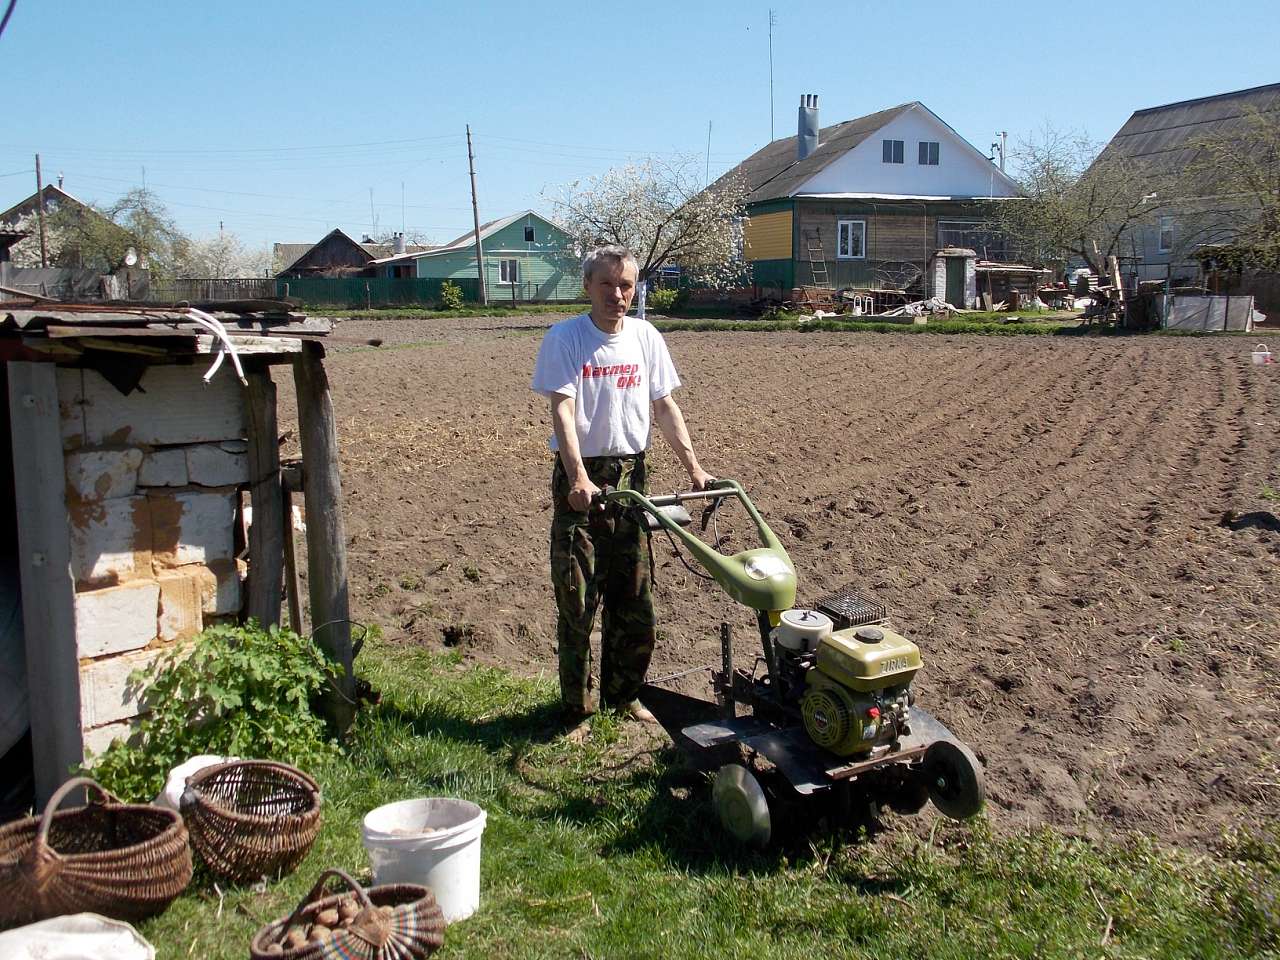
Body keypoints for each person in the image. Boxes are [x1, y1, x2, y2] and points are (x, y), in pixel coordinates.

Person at [531, 244, 713, 734]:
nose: (617, 294)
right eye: (607, 284)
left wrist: (695, 469)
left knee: (634, 597)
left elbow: (666, 407)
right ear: (588, 286)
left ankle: (623, 695)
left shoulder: (645, 337)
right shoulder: (566, 338)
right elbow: (562, 411)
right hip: (583, 478)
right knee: (578, 596)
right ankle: (578, 710)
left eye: (626, 285)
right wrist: (577, 478)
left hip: (633, 477)